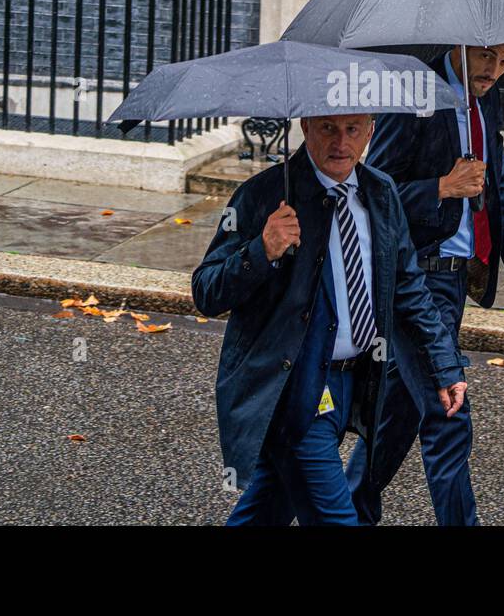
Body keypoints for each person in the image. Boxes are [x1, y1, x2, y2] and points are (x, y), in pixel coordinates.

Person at [192, 112, 468, 526]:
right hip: (293, 388)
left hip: (351, 383)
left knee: (265, 510)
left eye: (352, 129)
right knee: (338, 519)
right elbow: (206, 292)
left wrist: (444, 366)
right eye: (328, 128)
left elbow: (408, 287)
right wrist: (261, 250)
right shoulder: (264, 196)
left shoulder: (380, 191)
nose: (341, 142)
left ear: (370, 132)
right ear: (305, 128)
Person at [345, 42, 504, 526]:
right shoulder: (415, 96)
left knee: (399, 412)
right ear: (462, 42)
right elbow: (372, 190)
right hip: (416, 277)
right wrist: (441, 186)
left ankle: (349, 512)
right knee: (447, 410)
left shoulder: (486, 99)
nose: (494, 71)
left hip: (456, 278)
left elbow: (499, 180)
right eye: (486, 57)